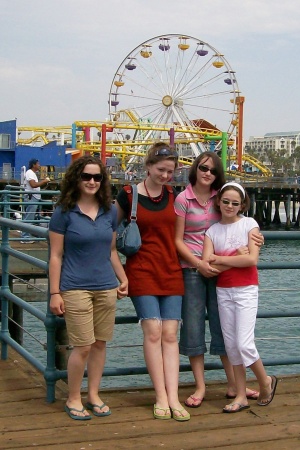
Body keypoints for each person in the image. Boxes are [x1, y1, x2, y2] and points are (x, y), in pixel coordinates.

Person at [174, 152, 263, 408]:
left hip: (221, 271)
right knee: (192, 327)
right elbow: (178, 240)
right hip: (192, 268)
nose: (207, 174)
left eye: (213, 171)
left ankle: (235, 385)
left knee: (224, 330)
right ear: (195, 169)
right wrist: (198, 263)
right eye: (203, 168)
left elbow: (238, 227)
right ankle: (200, 386)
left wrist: (256, 240)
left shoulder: (220, 195)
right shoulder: (183, 198)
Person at [49, 155, 128, 421]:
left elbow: (112, 250)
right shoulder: (63, 211)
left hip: (106, 286)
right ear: (76, 178)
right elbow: (56, 255)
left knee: (100, 344)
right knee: (82, 345)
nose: (92, 182)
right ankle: (73, 397)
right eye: (86, 176)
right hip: (74, 287)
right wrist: (54, 292)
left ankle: (93, 394)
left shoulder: (110, 211)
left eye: (97, 177)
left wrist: (122, 277)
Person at [115, 143, 190, 421]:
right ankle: (161, 396)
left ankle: (174, 396)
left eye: (171, 171)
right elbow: (108, 230)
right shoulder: (128, 195)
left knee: (171, 334)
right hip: (141, 271)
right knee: (154, 331)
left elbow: (193, 229)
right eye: (161, 170)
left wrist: (249, 232)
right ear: (148, 166)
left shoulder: (175, 195)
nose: (166, 176)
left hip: (171, 270)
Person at [203, 182, 277, 412]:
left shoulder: (249, 224)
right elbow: (206, 263)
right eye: (225, 201)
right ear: (219, 202)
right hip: (223, 291)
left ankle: (265, 381)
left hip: (246, 290)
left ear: (242, 204)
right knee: (232, 346)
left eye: (235, 203)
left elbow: (251, 260)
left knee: (244, 344)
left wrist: (220, 258)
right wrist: (235, 254)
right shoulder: (212, 231)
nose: (229, 206)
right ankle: (241, 395)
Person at [21, 158, 50, 243]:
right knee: (29, 218)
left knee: (29, 217)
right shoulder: (30, 173)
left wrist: (44, 183)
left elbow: (35, 185)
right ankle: (25, 238)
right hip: (32, 197)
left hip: (33, 197)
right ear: (34, 165)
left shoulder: (32, 173)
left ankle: (25, 236)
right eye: (38, 164)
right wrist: (44, 181)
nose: (39, 165)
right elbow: (33, 185)